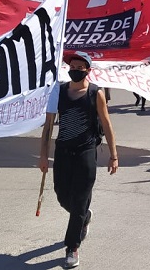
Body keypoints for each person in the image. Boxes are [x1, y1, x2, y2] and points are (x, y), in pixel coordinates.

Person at [39, 51, 118, 269]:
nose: (74, 70)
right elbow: (48, 126)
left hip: (86, 152)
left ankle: (72, 246)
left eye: (79, 67)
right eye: (72, 66)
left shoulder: (95, 93)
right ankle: (84, 215)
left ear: (87, 70)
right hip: (63, 152)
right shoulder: (59, 91)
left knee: (81, 198)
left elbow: (107, 123)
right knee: (63, 196)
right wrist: (44, 155)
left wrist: (113, 155)